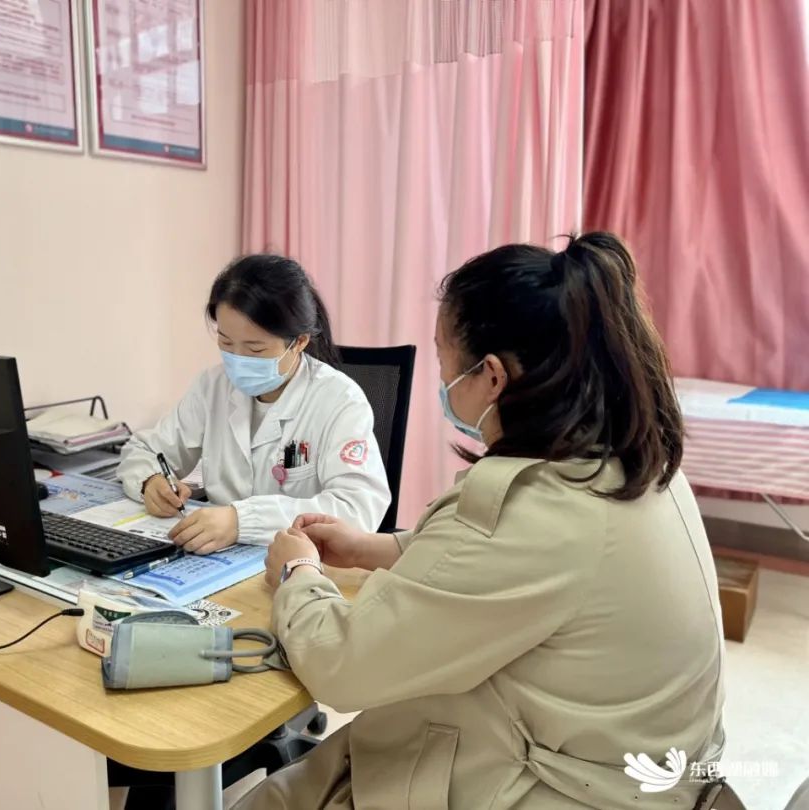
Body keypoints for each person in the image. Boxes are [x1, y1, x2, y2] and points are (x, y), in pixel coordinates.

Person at [241, 233, 730, 809]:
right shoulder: (632, 463)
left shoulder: (530, 512)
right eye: (226, 342)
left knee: (282, 792)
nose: (442, 377)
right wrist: (377, 548)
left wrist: (298, 573)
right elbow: (501, 573)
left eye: (443, 358)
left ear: (492, 376)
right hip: (641, 768)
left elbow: (342, 666)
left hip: (567, 788)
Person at [117, 254, 391, 552]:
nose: (237, 359)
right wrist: (150, 481)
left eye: (255, 348)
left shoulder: (339, 400)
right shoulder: (212, 386)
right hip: (217, 557)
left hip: (302, 562)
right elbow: (144, 450)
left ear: (299, 342)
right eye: (226, 342)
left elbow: (358, 509)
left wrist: (242, 521)